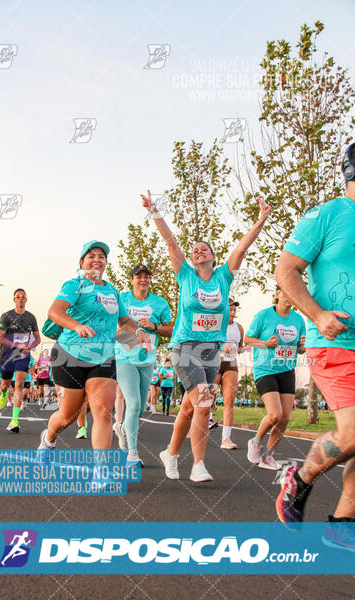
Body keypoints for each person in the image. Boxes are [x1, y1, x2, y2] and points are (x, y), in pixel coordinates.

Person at [142, 189, 272, 482]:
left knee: (190, 407)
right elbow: (171, 242)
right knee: (203, 402)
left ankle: (170, 453)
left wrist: (261, 219)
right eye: (195, 250)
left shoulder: (224, 277)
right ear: (192, 258)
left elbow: (242, 248)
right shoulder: (185, 275)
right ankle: (198, 464)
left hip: (213, 350)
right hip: (185, 346)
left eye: (205, 249)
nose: (199, 251)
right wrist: (155, 212)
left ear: (213, 257)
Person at [274, 144, 355, 526]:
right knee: (354, 432)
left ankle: (343, 525)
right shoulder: (329, 214)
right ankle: (299, 478)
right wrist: (318, 314)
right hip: (336, 345)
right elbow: (286, 270)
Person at [38, 240, 151, 452]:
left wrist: (139, 332)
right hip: (70, 354)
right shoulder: (74, 285)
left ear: (106, 263)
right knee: (67, 416)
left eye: (101, 256)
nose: (97, 260)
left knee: (102, 411)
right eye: (91, 256)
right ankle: (49, 438)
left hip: (103, 357)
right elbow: (55, 312)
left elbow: (124, 321)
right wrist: (77, 326)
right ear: (82, 262)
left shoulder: (112, 291)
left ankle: (101, 470)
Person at [114, 264, 173, 464]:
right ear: (131, 280)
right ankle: (132, 453)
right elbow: (113, 327)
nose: (143, 280)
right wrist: (131, 334)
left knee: (138, 410)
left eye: (146, 276)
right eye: (138, 276)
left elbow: (170, 330)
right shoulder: (122, 299)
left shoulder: (160, 302)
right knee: (134, 403)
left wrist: (154, 327)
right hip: (124, 357)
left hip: (147, 359)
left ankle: (122, 428)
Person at [245, 286, 306, 469]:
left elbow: (300, 349)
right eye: (285, 292)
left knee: (285, 418)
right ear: (277, 295)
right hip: (266, 370)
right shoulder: (263, 316)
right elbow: (247, 340)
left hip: (287, 370)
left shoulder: (298, 320)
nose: (289, 297)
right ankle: (255, 442)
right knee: (274, 414)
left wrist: (302, 346)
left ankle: (268, 455)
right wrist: (266, 344)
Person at [0, 289, 41, 433]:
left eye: (23, 297)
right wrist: (16, 345)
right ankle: (3, 394)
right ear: (14, 299)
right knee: (5, 385)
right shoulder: (6, 316)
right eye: (18, 297)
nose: (21, 299)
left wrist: (29, 346)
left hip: (23, 354)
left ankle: (14, 420)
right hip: (8, 354)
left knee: (19, 383)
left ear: (26, 300)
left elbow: (37, 338)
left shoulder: (31, 317)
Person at [213, 298, 246, 447]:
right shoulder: (216, 325)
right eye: (230, 309)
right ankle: (195, 428)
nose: (232, 312)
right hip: (213, 363)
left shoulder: (239, 328)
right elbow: (206, 345)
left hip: (231, 364)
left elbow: (238, 347)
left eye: (234, 310)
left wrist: (243, 349)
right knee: (206, 400)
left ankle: (226, 439)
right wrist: (221, 347)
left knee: (229, 401)